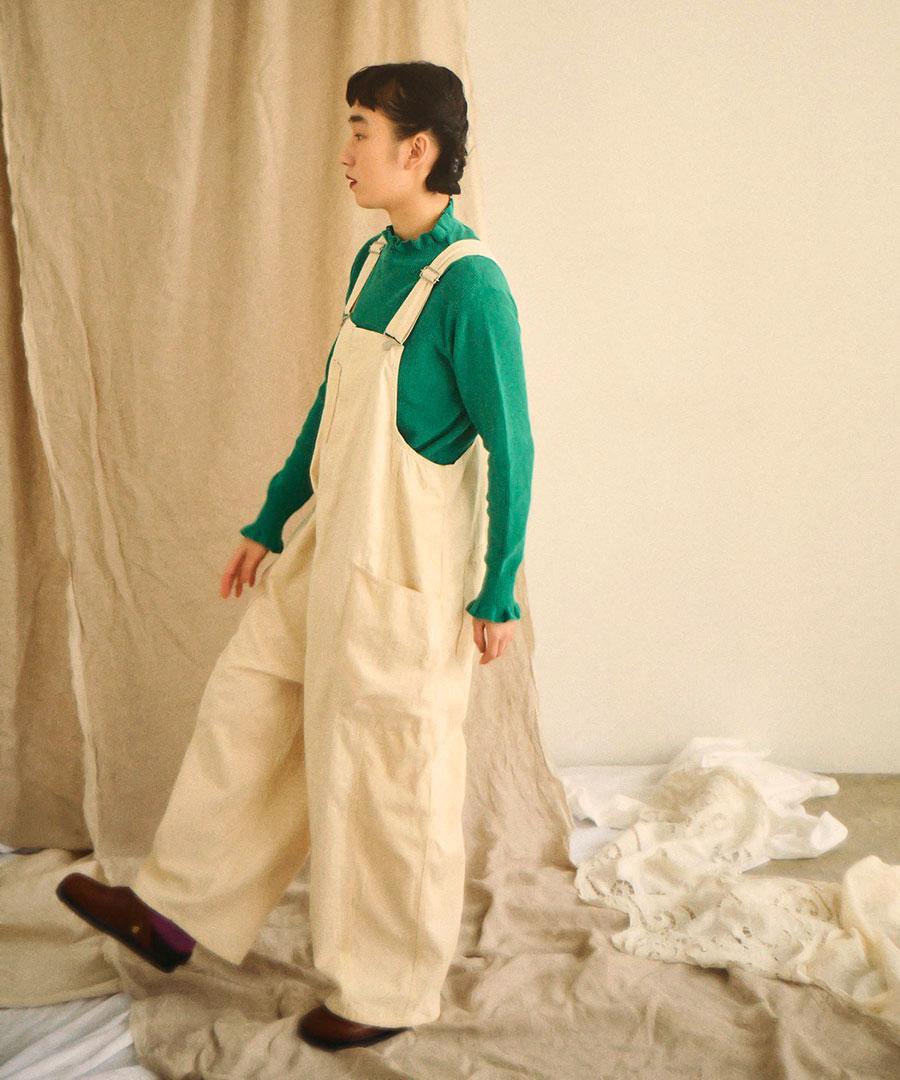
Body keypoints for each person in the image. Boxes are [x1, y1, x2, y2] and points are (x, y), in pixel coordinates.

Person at [57, 61, 534, 1053]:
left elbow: (514, 447)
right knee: (250, 708)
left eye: (361, 130)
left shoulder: (473, 289)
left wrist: (496, 589)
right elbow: (331, 404)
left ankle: (387, 987)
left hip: (404, 577)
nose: (345, 151)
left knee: (386, 779)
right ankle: (175, 912)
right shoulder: (375, 261)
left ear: (418, 150)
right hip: (330, 546)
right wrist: (274, 518)